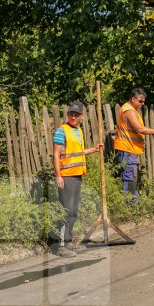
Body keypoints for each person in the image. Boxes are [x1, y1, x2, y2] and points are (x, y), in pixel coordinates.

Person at [52, 102, 103, 257]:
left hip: (77, 175)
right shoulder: (61, 131)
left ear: (81, 116)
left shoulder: (78, 131)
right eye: (71, 114)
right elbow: (56, 155)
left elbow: (78, 152)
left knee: (73, 212)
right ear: (67, 114)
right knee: (66, 211)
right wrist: (58, 175)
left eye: (76, 114)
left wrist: (93, 150)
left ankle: (68, 242)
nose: (73, 117)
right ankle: (61, 246)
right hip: (66, 176)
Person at [114, 88, 154, 199]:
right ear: (133, 99)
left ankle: (132, 205)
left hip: (129, 151)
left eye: (144, 101)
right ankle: (130, 208)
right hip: (127, 150)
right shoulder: (129, 111)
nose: (142, 104)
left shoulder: (129, 109)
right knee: (129, 181)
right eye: (140, 101)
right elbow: (140, 129)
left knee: (131, 180)